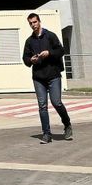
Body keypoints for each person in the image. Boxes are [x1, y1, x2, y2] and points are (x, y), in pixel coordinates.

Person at [24, 12, 72, 143]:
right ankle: (46, 134)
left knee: (56, 102)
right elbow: (25, 59)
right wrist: (31, 60)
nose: (33, 25)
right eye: (30, 23)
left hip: (53, 75)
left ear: (39, 21)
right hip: (38, 78)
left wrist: (49, 53)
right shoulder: (29, 41)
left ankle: (67, 124)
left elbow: (61, 51)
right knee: (42, 106)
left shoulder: (50, 36)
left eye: (34, 22)